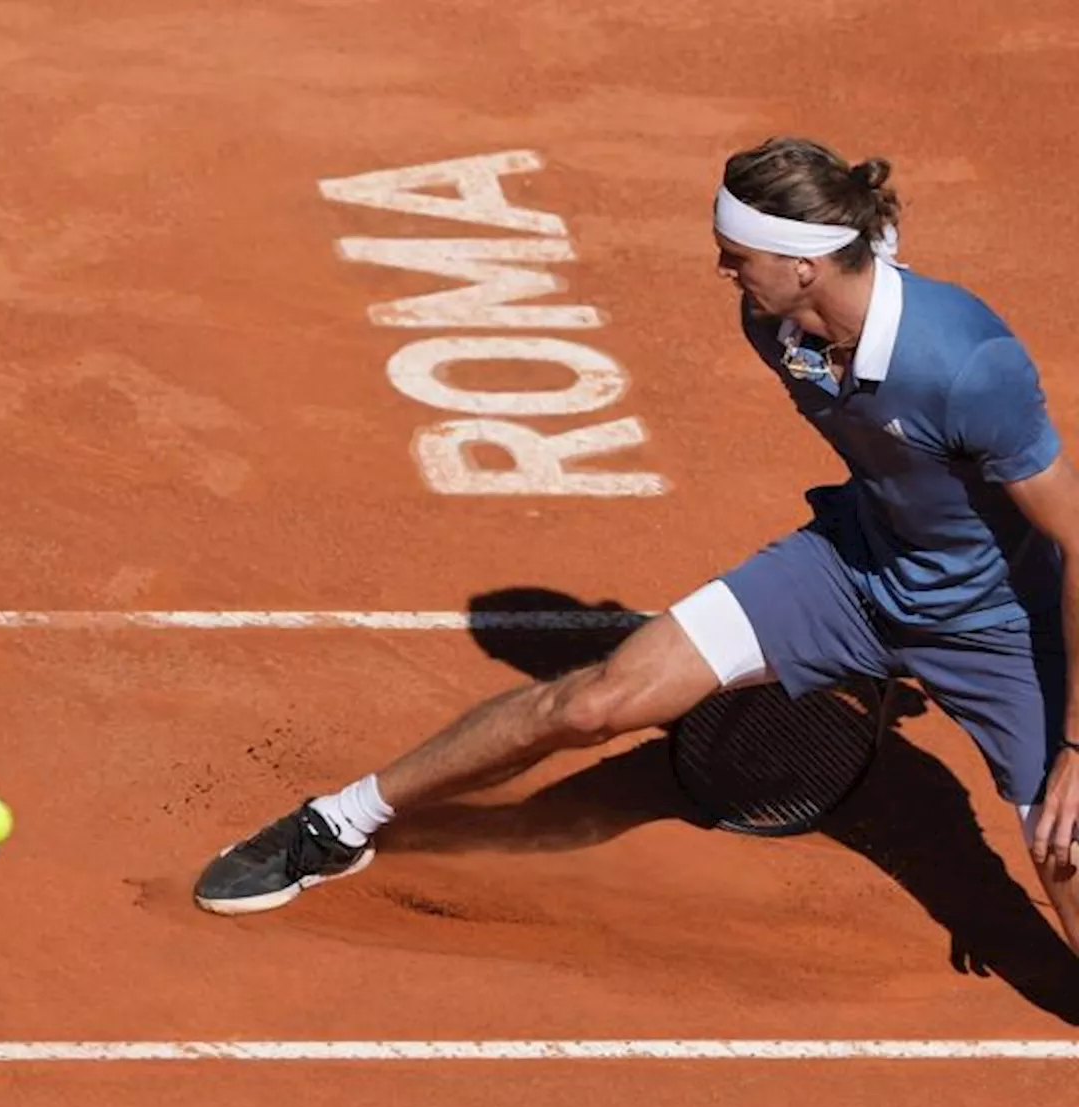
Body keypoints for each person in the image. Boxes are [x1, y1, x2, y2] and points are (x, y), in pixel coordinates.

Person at [193, 136, 1079, 955]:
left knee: (1066, 859)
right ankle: (337, 824)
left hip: (1002, 623)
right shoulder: (774, 324)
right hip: (849, 571)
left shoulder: (967, 363)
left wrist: (1075, 747)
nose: (722, 268)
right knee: (590, 705)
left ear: (805, 265)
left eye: (738, 255)